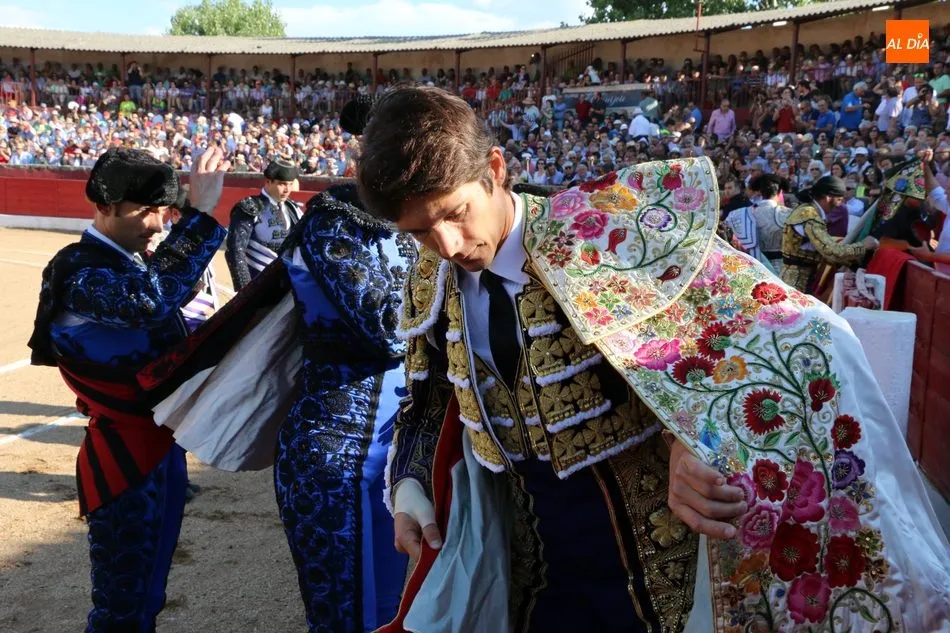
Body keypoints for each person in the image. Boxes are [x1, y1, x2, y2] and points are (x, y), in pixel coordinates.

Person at [357, 87, 950, 633]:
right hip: (522, 556)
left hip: (649, 559)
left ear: (494, 169)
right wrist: (410, 484)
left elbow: (781, 339)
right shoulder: (433, 277)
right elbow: (429, 397)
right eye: (420, 231)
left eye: (455, 213)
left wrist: (694, 437)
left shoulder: (604, 234)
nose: (447, 245)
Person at [27, 147, 229, 632]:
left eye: (164, 210)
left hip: (159, 446)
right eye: (144, 210)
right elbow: (149, 303)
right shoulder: (78, 269)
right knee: (122, 602)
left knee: (146, 594)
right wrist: (200, 216)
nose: (156, 224)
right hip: (121, 459)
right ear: (104, 204)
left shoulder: (134, 262)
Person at [781, 175, 878, 293]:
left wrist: (851, 263)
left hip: (797, 277)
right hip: (797, 281)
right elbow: (832, 252)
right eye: (839, 199)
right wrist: (864, 245)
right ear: (828, 197)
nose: (840, 205)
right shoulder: (810, 216)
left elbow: (820, 253)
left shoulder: (807, 210)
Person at [225, 158, 304, 290]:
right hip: (258, 283)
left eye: (290, 184)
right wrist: (245, 289)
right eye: (282, 184)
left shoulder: (293, 209)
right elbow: (236, 249)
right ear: (268, 181)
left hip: (288, 283)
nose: (287, 189)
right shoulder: (250, 208)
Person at [724, 173, 792, 273]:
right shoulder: (788, 214)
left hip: (750, 269)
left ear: (759, 192)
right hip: (782, 269)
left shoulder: (736, 214)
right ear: (779, 192)